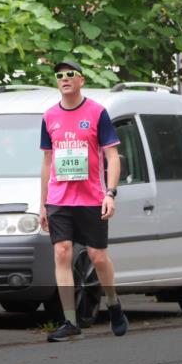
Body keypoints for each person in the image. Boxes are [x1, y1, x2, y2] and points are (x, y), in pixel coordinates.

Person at [39, 60, 129, 342]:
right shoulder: (49, 116)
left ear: (81, 80)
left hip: (91, 196)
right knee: (62, 252)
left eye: (70, 75)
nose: (64, 79)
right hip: (59, 198)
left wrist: (110, 193)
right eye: (59, 75)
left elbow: (112, 156)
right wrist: (42, 203)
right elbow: (47, 161)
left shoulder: (97, 113)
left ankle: (113, 304)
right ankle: (69, 320)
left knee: (97, 256)